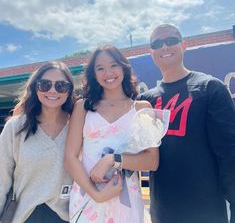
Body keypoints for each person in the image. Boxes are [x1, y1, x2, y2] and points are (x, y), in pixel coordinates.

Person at [139, 24, 235, 223]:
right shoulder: (145, 100)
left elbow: (230, 152)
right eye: (157, 44)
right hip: (162, 209)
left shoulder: (210, 88)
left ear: (184, 45)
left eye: (171, 40)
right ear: (151, 52)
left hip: (205, 209)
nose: (164, 47)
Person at [64, 45, 159, 223]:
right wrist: (97, 195)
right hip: (88, 197)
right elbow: (70, 157)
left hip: (127, 200)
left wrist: (112, 159)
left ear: (124, 67)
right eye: (100, 68)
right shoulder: (83, 107)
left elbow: (152, 161)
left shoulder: (142, 109)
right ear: (93, 73)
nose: (108, 73)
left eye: (113, 65)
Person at [0, 61, 77, 223]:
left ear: (69, 90)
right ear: (35, 87)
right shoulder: (16, 127)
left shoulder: (78, 127)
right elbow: (2, 180)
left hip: (69, 216)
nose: (52, 90)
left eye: (61, 86)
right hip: (25, 216)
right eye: (45, 84)